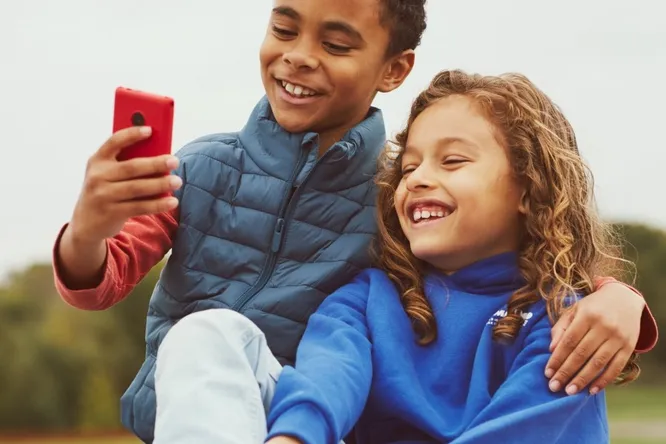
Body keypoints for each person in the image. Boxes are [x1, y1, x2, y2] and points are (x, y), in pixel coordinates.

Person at [51, 0, 657, 441]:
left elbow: (506, 263)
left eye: (336, 45)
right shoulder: (199, 167)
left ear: (393, 69)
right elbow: (100, 280)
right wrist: (89, 229)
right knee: (205, 331)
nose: (298, 56)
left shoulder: (392, 199)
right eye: (283, 28)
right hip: (207, 422)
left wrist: (617, 297)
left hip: (320, 424)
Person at [172, 69, 643, 443]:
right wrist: (293, 437)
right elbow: (327, 377)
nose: (416, 178)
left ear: (527, 187)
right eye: (409, 166)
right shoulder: (365, 298)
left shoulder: (567, 321)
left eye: (452, 161)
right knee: (211, 332)